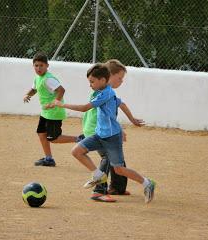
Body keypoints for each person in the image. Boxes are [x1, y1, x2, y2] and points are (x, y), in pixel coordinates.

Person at [50, 63, 156, 204]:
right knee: (76, 151)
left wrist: (61, 104)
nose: (90, 85)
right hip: (100, 135)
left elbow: (84, 108)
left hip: (112, 138)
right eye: (89, 82)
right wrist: (132, 119)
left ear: (103, 80)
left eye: (92, 82)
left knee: (119, 169)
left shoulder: (106, 93)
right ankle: (98, 176)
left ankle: (147, 183)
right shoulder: (104, 91)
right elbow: (120, 103)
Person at [80, 59, 145, 202]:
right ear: (109, 76)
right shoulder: (101, 92)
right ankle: (99, 190)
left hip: (105, 131)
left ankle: (117, 188)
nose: (121, 81)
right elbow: (99, 116)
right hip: (97, 131)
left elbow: (120, 106)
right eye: (120, 78)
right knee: (108, 159)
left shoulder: (109, 92)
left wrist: (124, 125)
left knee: (118, 162)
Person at [23, 52, 78, 167]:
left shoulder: (48, 79)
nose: (38, 68)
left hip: (54, 112)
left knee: (53, 138)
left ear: (47, 66)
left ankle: (79, 139)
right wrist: (27, 95)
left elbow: (61, 90)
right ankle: (49, 159)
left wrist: (55, 102)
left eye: (41, 65)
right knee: (41, 133)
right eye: (36, 65)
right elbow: (34, 89)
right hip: (46, 112)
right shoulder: (38, 78)